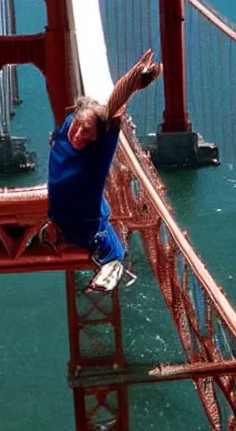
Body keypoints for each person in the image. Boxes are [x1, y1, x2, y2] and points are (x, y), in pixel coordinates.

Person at [41, 49, 162, 293]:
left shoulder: (98, 150)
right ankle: (58, 232)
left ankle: (114, 262)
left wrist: (134, 79)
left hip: (87, 220)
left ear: (98, 136)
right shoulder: (69, 125)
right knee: (63, 227)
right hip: (59, 214)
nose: (78, 134)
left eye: (87, 131)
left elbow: (114, 106)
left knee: (99, 239)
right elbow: (83, 116)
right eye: (77, 126)